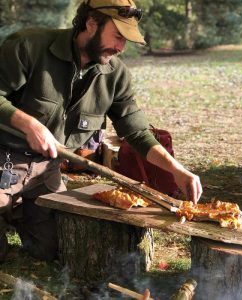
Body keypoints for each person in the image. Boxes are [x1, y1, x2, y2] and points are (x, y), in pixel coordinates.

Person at [0, 0, 202, 262]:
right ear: (91, 23)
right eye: (117, 36)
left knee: (52, 252)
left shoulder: (116, 75)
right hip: (4, 159)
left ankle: (16, 210)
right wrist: (28, 123)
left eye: (125, 41)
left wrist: (176, 169)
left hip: (47, 170)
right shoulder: (29, 46)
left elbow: (137, 132)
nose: (120, 48)